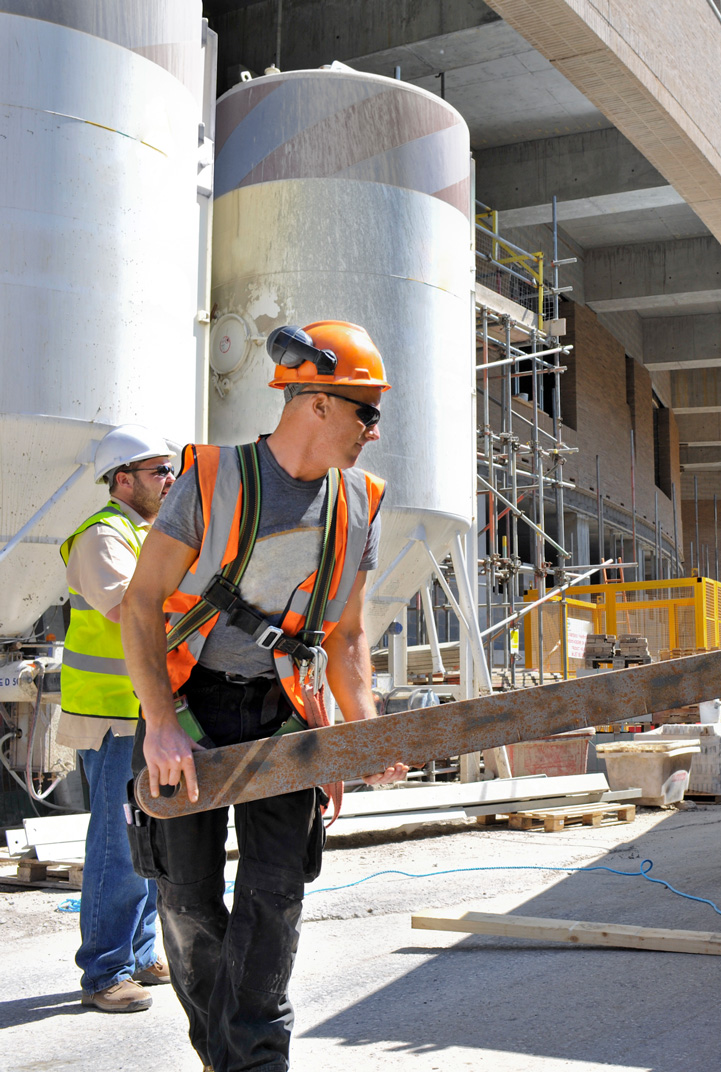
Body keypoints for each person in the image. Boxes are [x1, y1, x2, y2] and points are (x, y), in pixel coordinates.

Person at [121, 321, 408, 1071]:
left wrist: (364, 730)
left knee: (274, 899)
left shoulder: (360, 503)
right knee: (185, 900)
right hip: (190, 707)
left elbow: (345, 637)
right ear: (314, 402)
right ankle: (225, 1054)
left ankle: (252, 1061)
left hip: (285, 714)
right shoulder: (210, 480)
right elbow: (144, 602)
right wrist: (160, 724)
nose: (375, 431)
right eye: (366, 411)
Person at [58, 424, 177, 1013]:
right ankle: (105, 971)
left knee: (149, 836)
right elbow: (129, 607)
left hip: (145, 714)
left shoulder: (149, 534)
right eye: (159, 471)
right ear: (122, 479)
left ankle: (141, 952)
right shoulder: (103, 536)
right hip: (113, 718)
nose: (170, 480)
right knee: (117, 845)